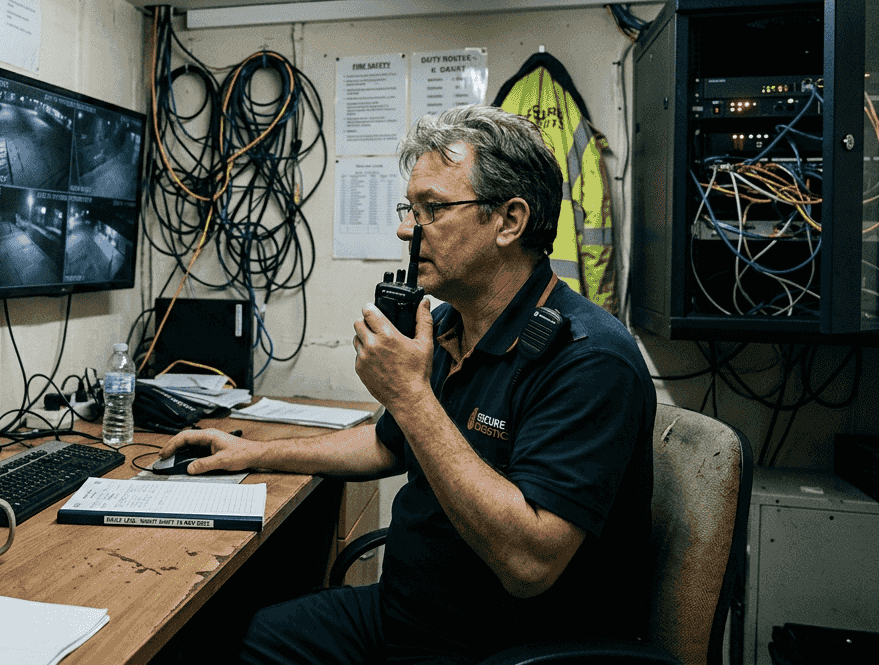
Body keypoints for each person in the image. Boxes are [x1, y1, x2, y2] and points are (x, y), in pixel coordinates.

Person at [159, 104, 655, 664]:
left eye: (432, 209)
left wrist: (411, 395)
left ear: (510, 222)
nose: (404, 228)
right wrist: (253, 452)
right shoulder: (447, 323)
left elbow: (529, 564)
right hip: (410, 615)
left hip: (497, 646)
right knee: (235, 638)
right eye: (409, 207)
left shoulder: (589, 359)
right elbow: (385, 443)